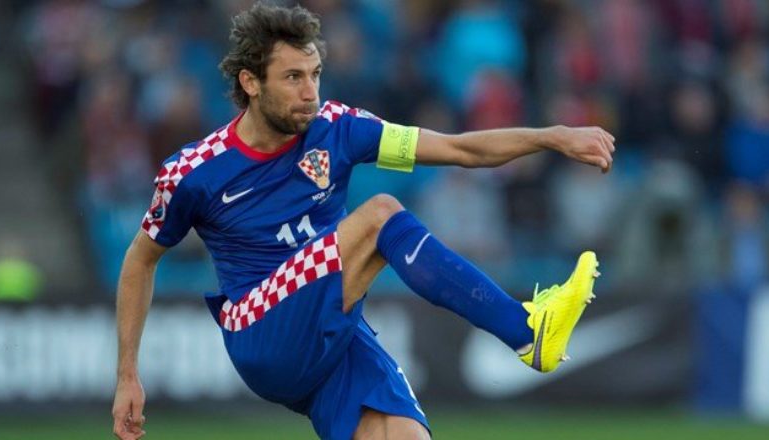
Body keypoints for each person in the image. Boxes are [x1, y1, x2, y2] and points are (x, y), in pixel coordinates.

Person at [111, 4, 614, 440]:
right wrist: (128, 375)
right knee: (379, 216)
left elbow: (460, 149)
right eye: (292, 77)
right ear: (250, 83)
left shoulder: (339, 128)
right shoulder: (193, 172)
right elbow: (140, 260)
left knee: (404, 434)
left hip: (334, 332)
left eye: (315, 74)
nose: (310, 91)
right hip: (261, 331)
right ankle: (527, 331)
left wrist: (552, 136)